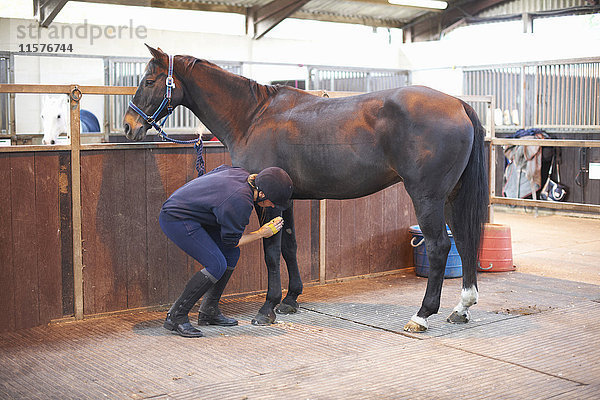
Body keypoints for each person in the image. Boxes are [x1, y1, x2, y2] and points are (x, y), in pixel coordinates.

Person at [159, 165, 293, 338]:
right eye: (273, 202)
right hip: (176, 218)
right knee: (216, 264)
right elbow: (234, 240)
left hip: (195, 215)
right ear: (262, 195)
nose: (272, 206)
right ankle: (176, 316)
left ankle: (209, 310)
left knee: (230, 254)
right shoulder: (240, 201)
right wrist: (262, 233)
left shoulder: (241, 173)